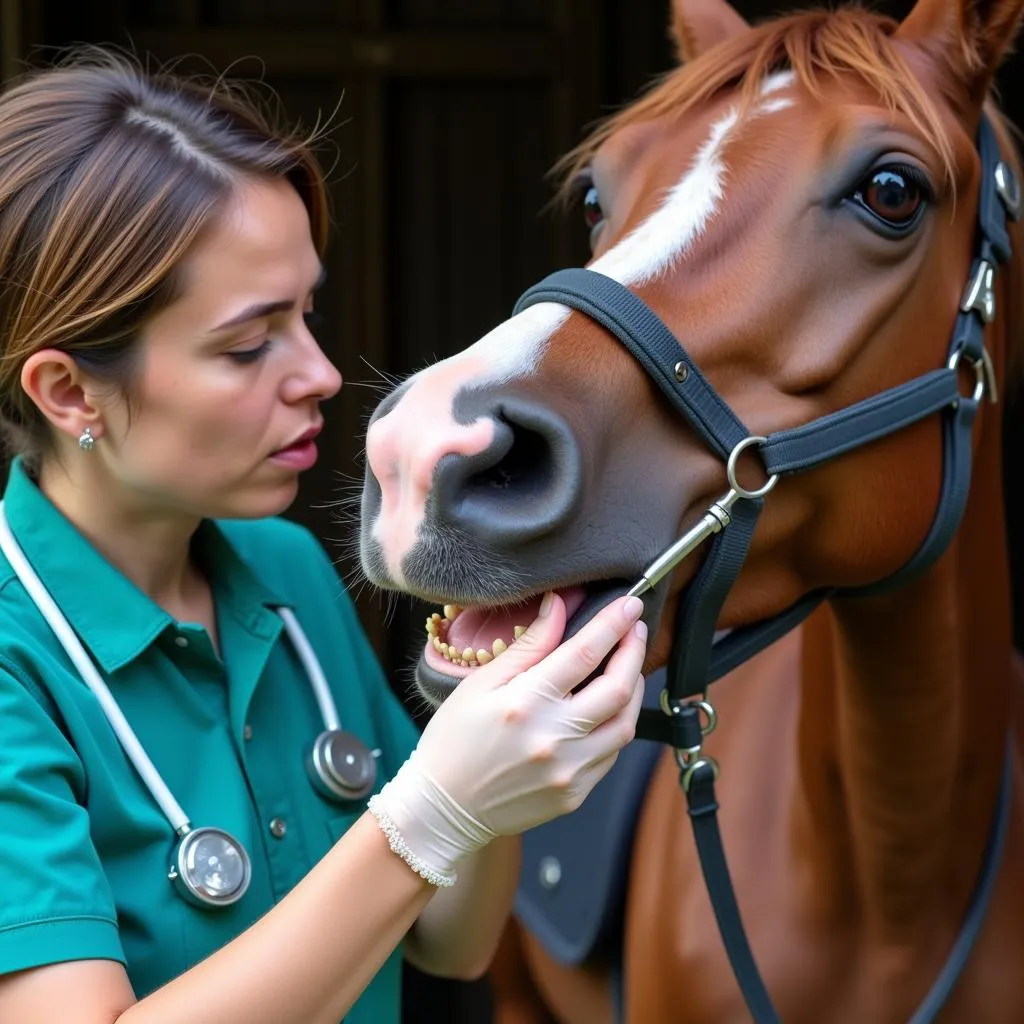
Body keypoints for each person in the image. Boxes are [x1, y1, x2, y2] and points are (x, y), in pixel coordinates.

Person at [0, 49, 648, 1024]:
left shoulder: (285, 570)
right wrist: (434, 806)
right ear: (68, 391)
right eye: (249, 343)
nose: (320, 374)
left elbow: (454, 941)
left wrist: (494, 719)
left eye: (306, 312)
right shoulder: (18, 657)